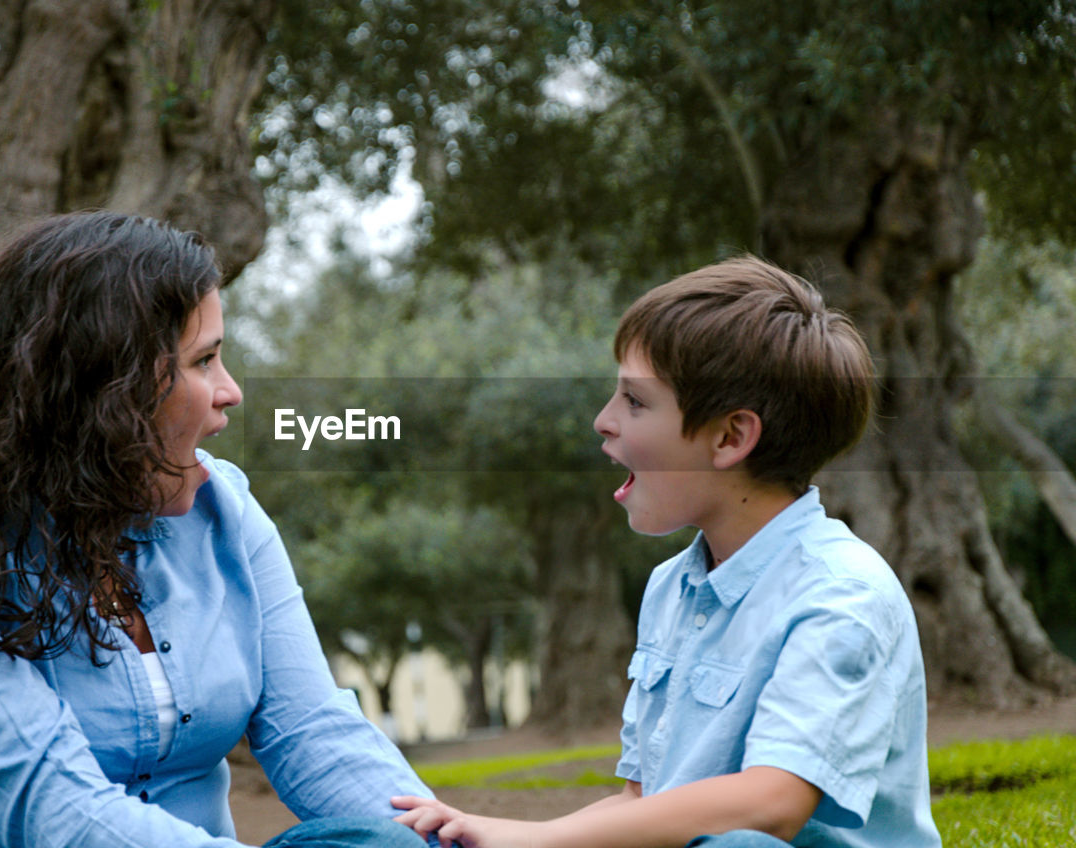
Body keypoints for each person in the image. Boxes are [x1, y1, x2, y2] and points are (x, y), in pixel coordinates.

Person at [0, 211, 430, 848]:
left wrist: (441, 839)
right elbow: (59, 814)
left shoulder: (226, 513)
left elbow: (314, 731)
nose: (230, 391)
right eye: (203, 361)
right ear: (103, 393)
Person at [394, 256, 941, 847]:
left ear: (730, 437)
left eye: (635, 401)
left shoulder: (842, 592)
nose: (603, 421)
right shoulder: (670, 587)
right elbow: (641, 800)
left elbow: (774, 801)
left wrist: (537, 839)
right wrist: (509, 836)